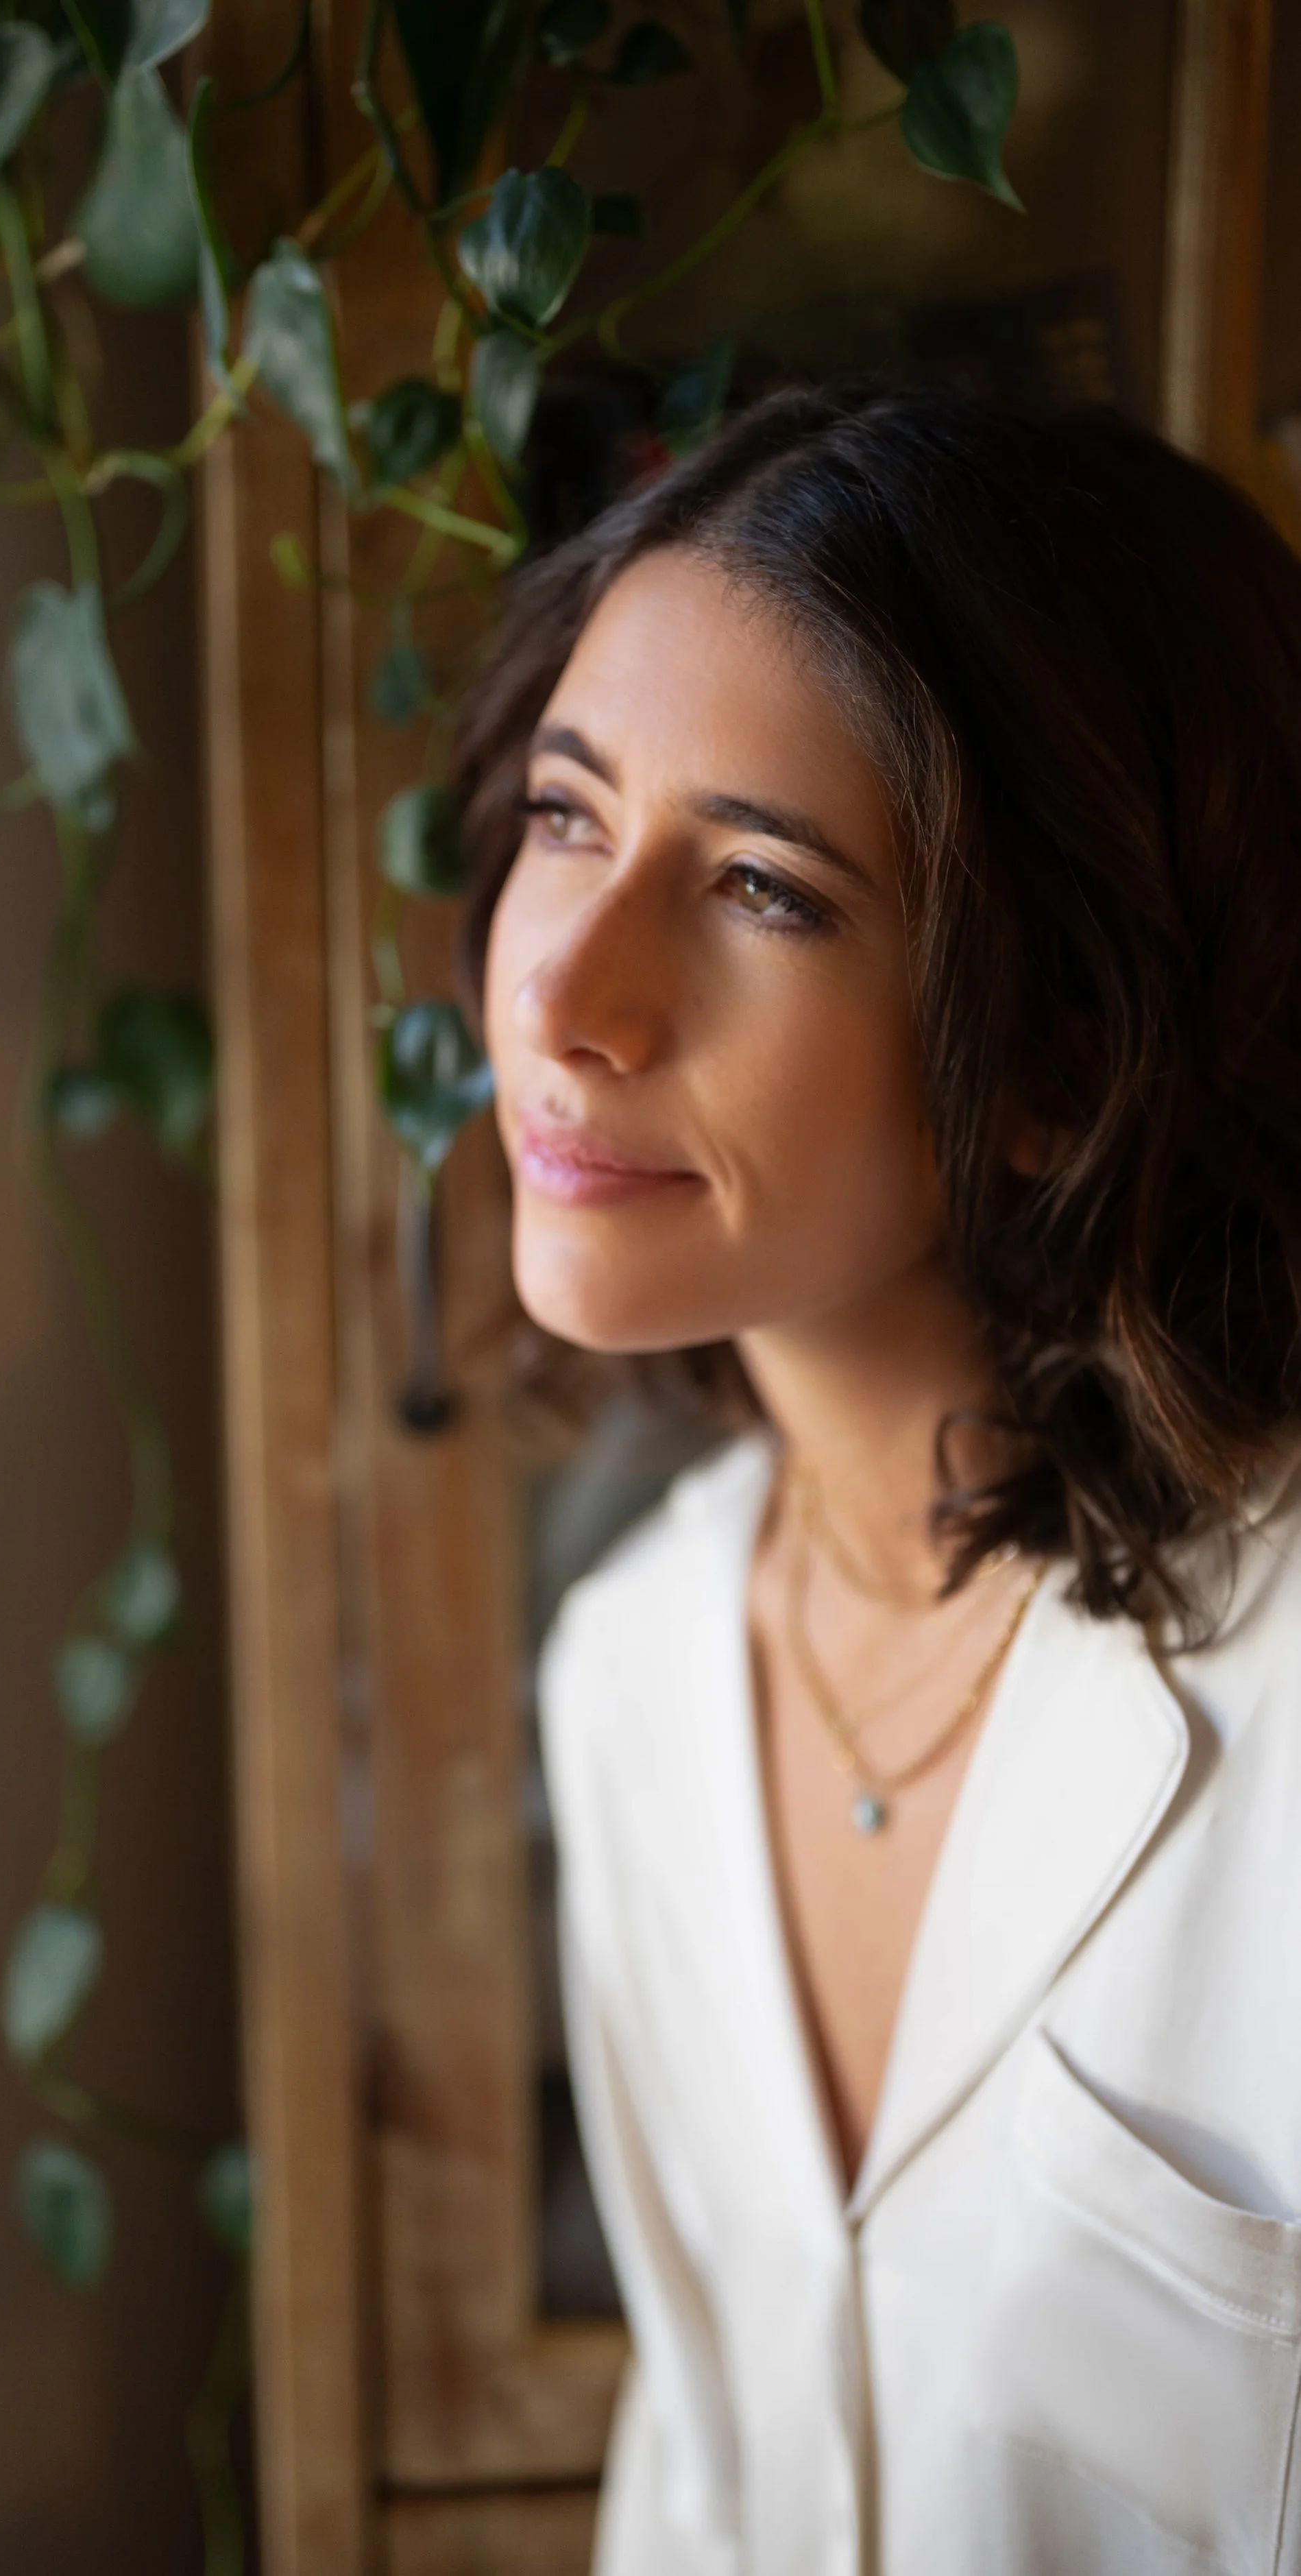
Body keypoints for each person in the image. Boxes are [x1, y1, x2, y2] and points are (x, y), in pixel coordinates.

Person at [456, 385, 1301, 2576]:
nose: (561, 988)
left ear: (1051, 1050)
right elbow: (703, 2468)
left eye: (757, 882)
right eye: (567, 815)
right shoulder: (631, 1673)